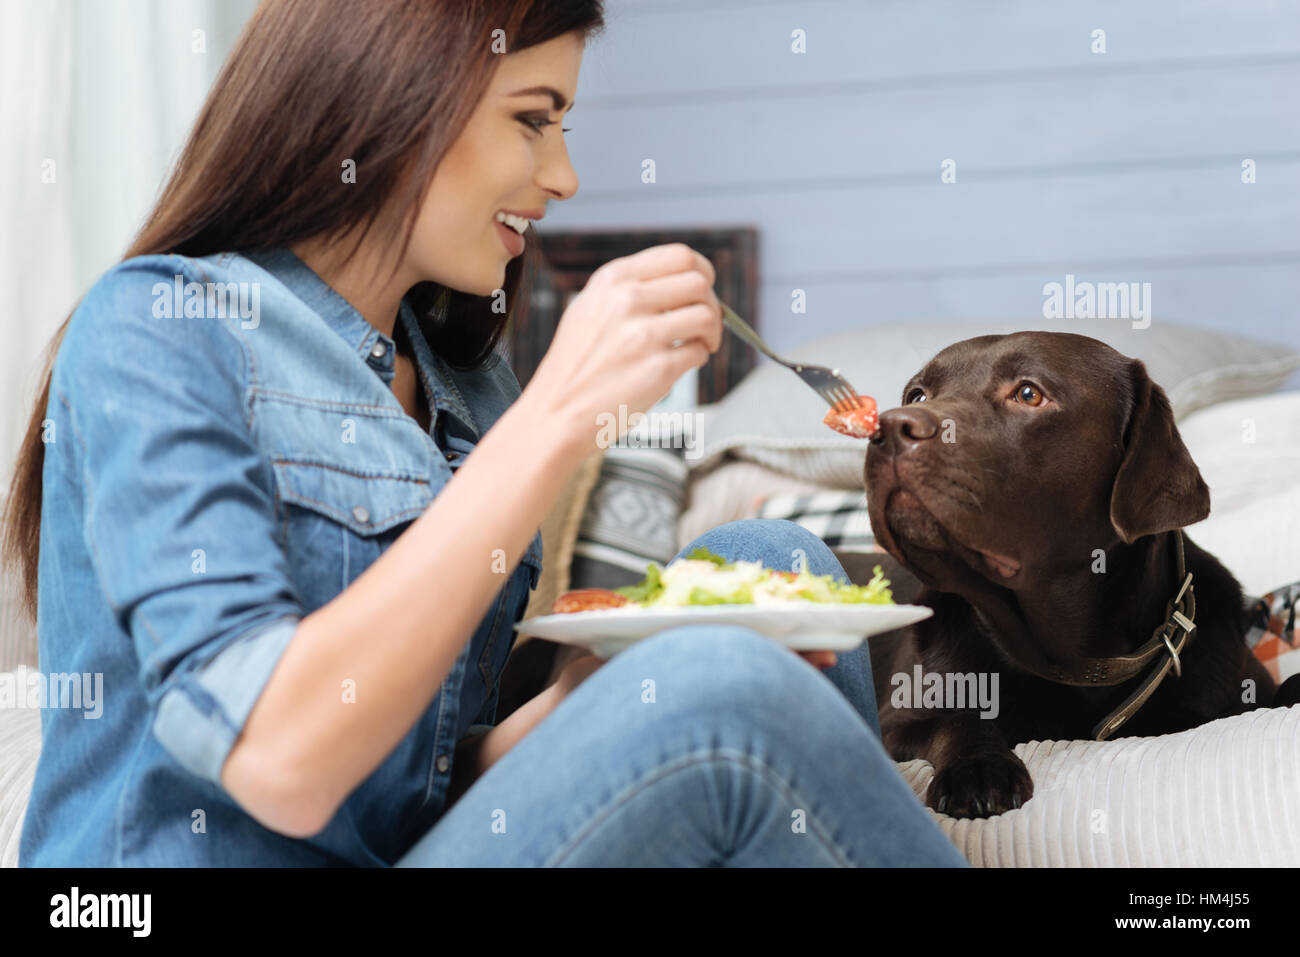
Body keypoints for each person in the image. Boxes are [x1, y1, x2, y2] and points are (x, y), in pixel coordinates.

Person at [4, 0, 966, 867]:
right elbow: (281, 761)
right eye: (532, 119)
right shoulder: (163, 326)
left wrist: (587, 697)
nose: (564, 175)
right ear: (393, 94)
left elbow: (413, 800)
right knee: (720, 690)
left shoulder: (467, 381)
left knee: (772, 560)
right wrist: (558, 414)